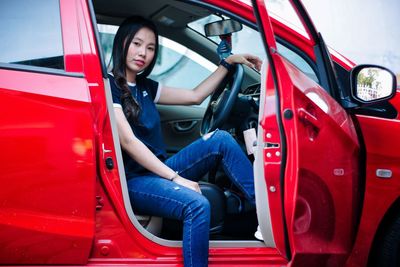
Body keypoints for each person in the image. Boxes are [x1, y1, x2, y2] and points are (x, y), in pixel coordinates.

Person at [109, 15, 262, 267]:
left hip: (158, 170)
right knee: (197, 205)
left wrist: (228, 63)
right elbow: (128, 141)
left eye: (150, 48)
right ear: (122, 43)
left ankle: (267, 216)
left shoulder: (146, 86)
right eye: (136, 44)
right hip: (133, 182)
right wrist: (176, 178)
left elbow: (195, 96)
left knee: (220, 139)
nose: (142, 53)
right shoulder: (111, 86)